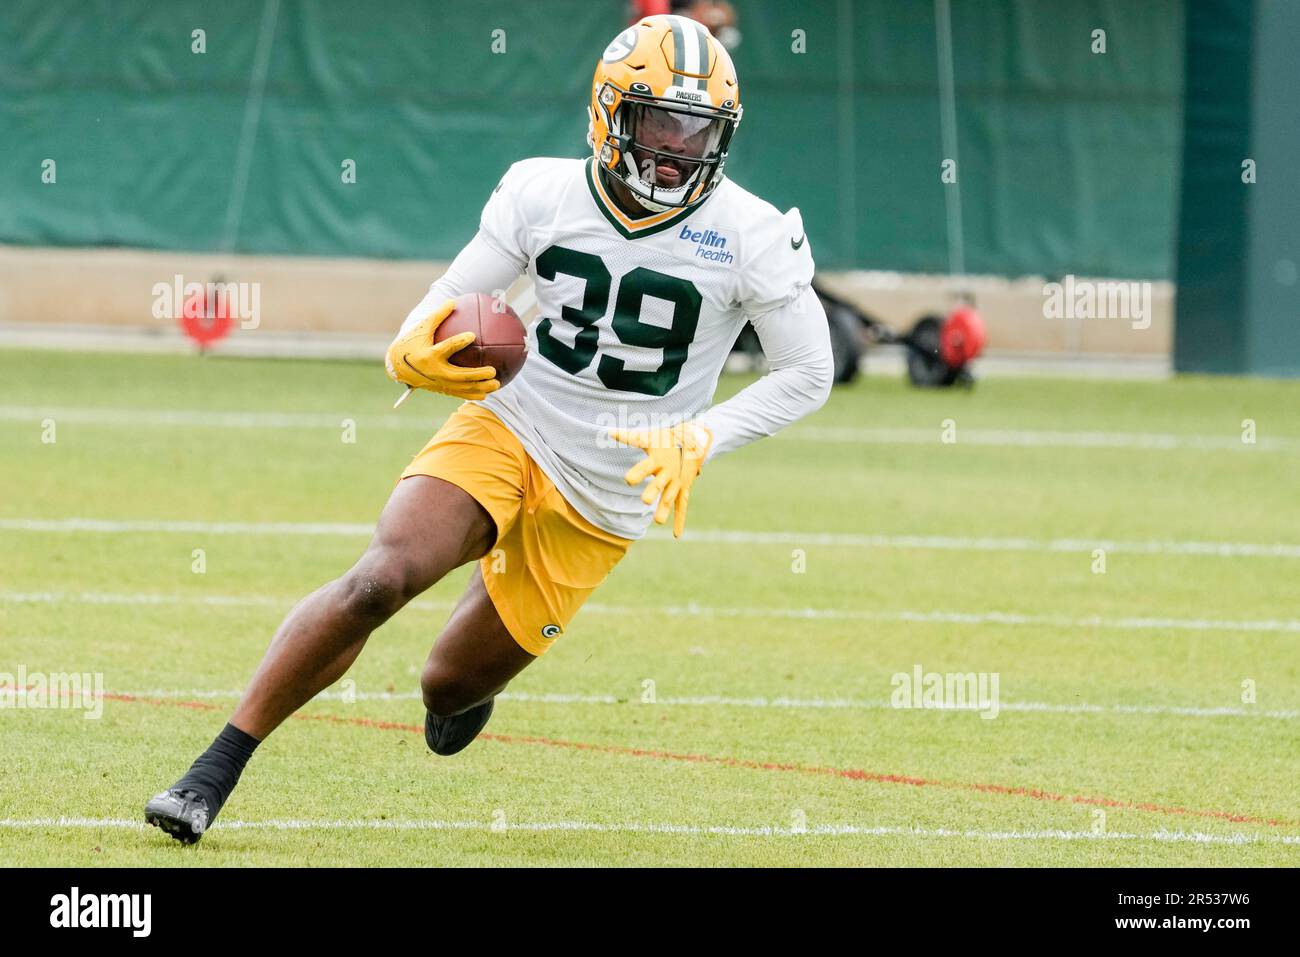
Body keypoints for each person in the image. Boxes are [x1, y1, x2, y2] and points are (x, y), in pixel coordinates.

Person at [144, 13, 833, 845]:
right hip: (514, 422)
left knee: (447, 687)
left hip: (614, 487)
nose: (677, 148)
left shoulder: (752, 232)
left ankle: (467, 678)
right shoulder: (541, 191)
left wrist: (703, 437)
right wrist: (411, 351)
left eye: (698, 130)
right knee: (378, 580)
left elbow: (809, 368)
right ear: (608, 114)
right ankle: (212, 770)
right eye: (659, 121)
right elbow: (441, 303)